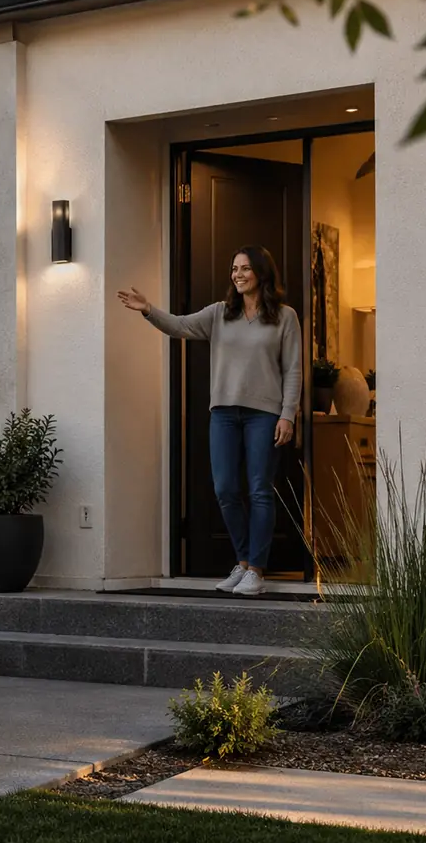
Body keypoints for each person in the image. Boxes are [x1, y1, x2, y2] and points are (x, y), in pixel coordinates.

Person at [118, 246, 302, 597]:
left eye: (245, 268)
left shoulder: (284, 317)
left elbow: (293, 370)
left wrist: (287, 415)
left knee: (260, 490)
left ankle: (256, 571)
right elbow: (181, 325)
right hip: (224, 414)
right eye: (234, 269)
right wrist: (148, 311)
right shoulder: (220, 313)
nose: (238, 275)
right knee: (225, 489)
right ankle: (244, 562)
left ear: (262, 273)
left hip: (264, 415)